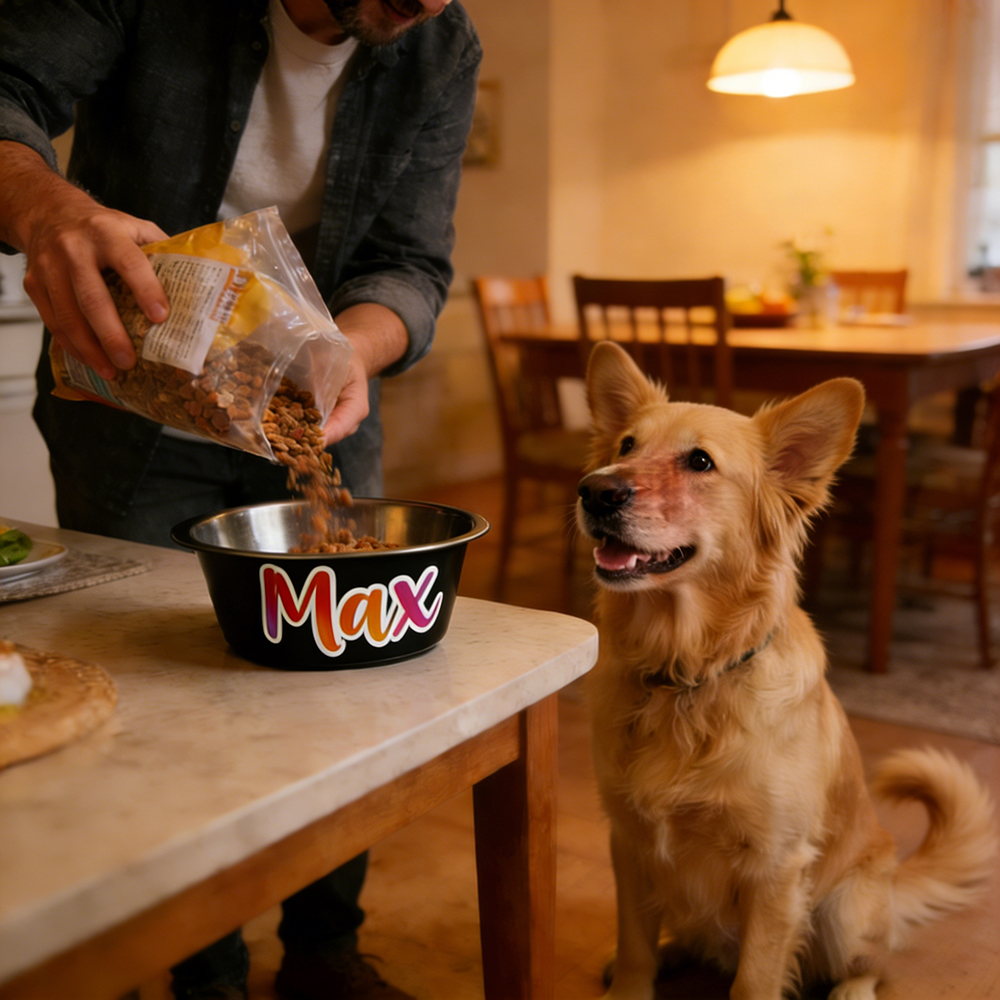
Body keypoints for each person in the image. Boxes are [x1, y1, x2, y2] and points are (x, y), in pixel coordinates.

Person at [0, 1, 481, 998]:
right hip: (128, 418)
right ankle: (201, 969)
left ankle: (323, 951)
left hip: (312, 414)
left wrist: (347, 348)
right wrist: (46, 208)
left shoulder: (441, 43)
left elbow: (412, 265)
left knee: (341, 685)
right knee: (152, 702)